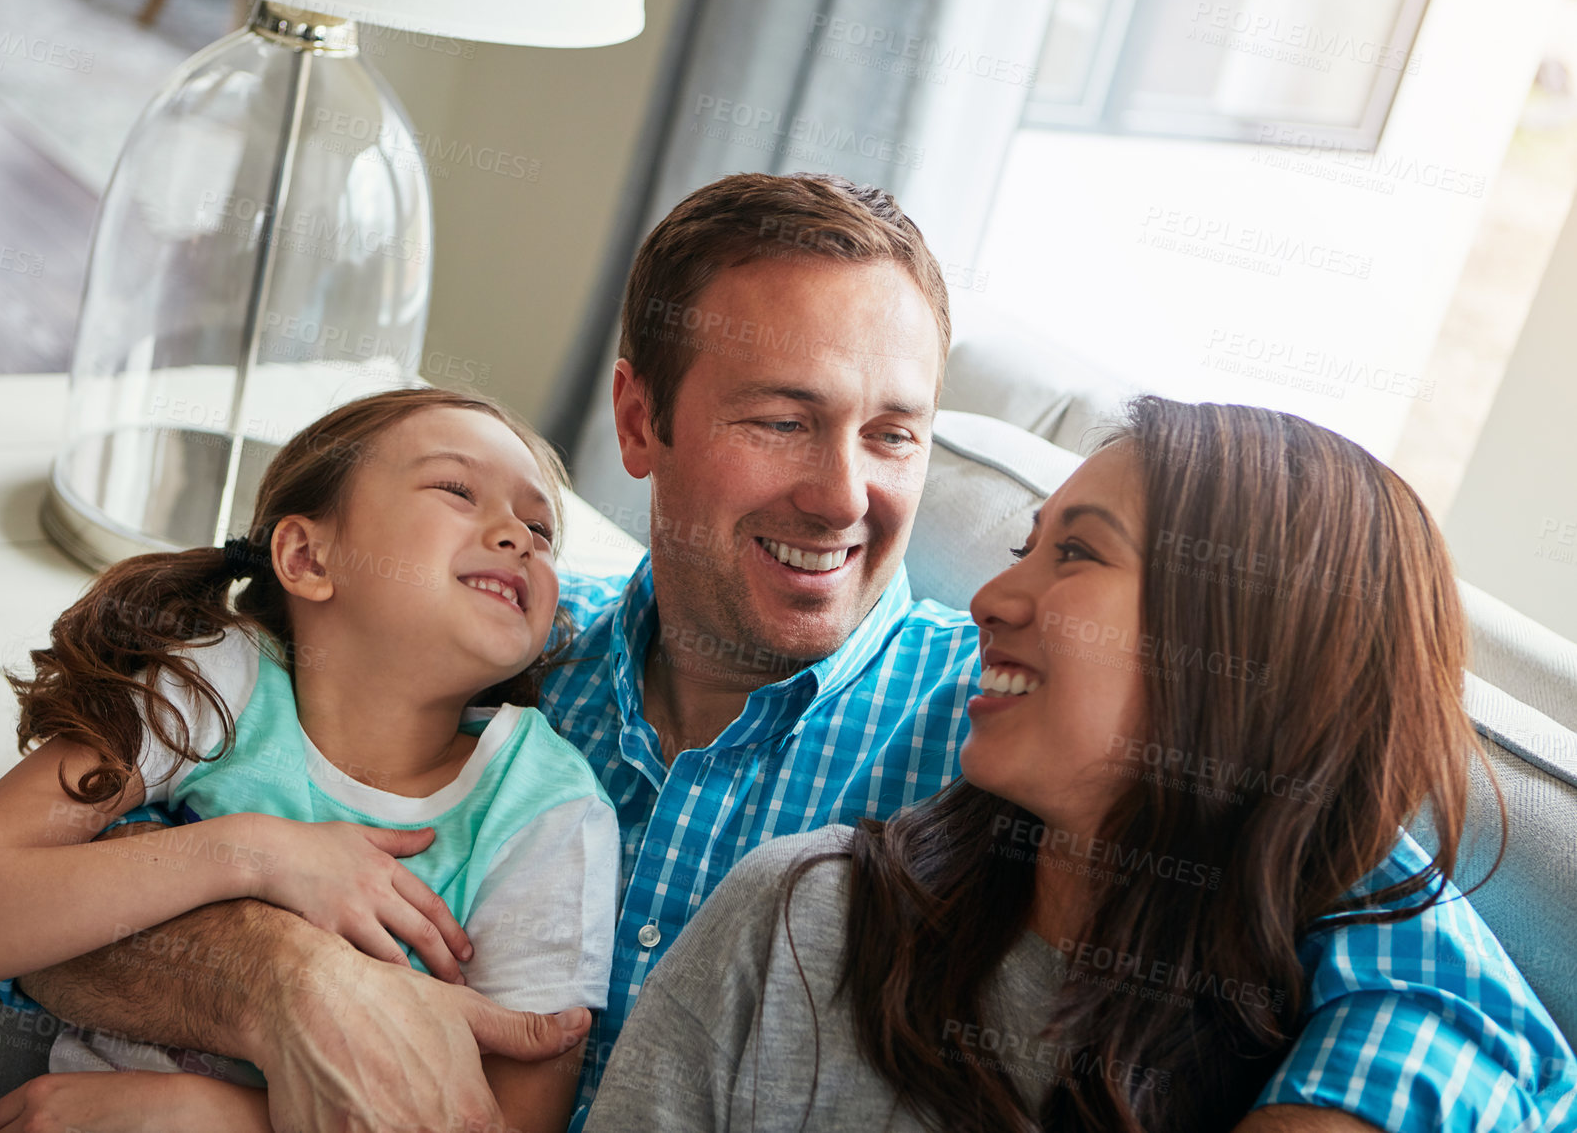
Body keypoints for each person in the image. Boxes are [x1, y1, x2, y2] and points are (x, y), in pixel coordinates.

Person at [0, 174, 1562, 1132]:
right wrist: (264, 976)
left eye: (891, 433)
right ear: (643, 425)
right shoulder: (497, 673)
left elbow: (1438, 983)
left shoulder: (1016, 728)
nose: (844, 493)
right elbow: (23, 904)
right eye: (782, 418)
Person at [586, 396, 1577, 1131]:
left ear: (1245, 652)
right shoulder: (804, 917)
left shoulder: (1352, 1047)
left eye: (1078, 555)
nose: (991, 596)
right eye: (1025, 546)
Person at [0, 388, 620, 1133]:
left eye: (540, 528)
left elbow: (506, 1121)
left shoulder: (548, 811)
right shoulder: (210, 686)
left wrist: (210, 1114)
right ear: (306, 556)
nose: (517, 536)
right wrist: (251, 854)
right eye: (458, 489)